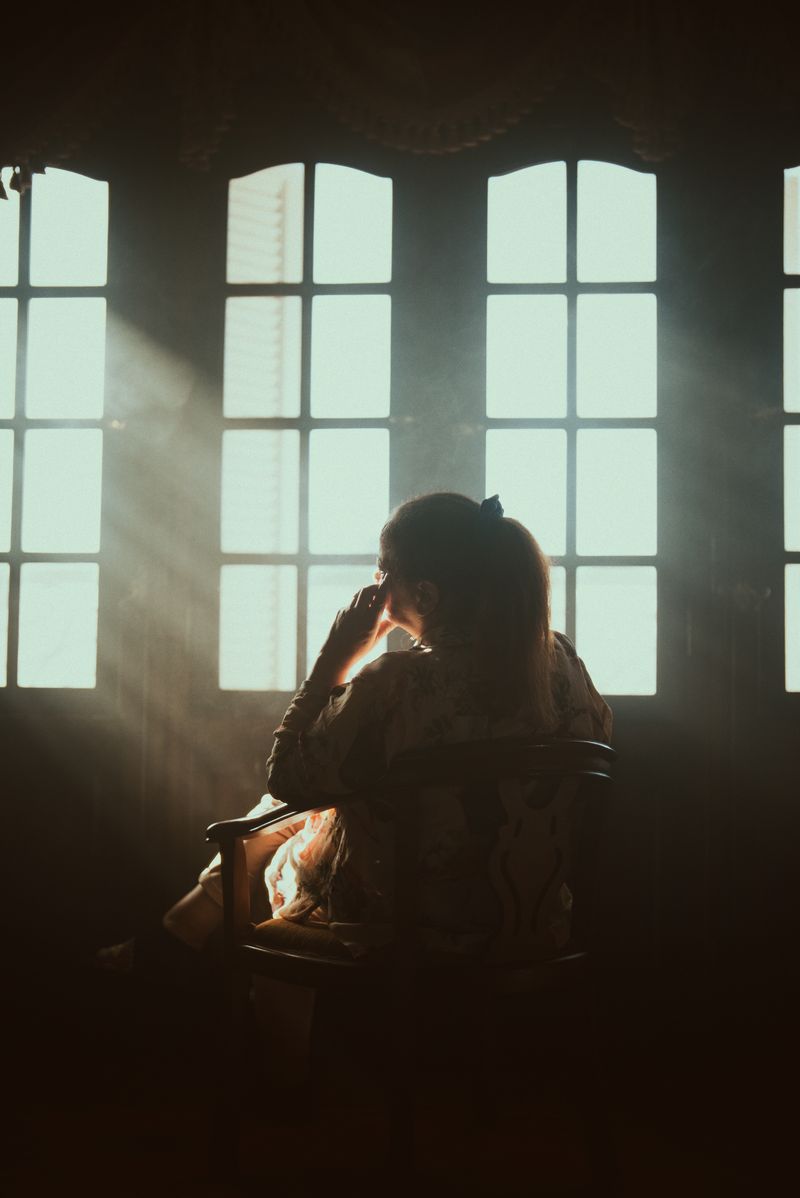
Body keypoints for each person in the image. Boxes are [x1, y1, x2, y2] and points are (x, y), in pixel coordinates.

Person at [148, 491, 612, 970]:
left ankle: (186, 953)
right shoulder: (562, 661)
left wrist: (335, 659)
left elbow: (286, 775)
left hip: (405, 923)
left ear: (425, 595)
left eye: (382, 572)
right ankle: (175, 936)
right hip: (529, 915)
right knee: (311, 804)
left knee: (283, 812)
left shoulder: (396, 682)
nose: (376, 584)